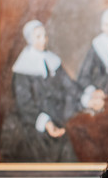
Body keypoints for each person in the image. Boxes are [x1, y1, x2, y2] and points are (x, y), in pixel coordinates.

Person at [6, 20, 82, 162]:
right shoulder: (22, 67)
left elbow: (68, 85)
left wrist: (86, 97)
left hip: (57, 115)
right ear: (29, 39)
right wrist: (45, 122)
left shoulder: (52, 60)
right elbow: (24, 103)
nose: (43, 40)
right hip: (32, 122)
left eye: (45, 36)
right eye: (38, 37)